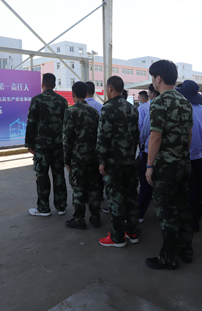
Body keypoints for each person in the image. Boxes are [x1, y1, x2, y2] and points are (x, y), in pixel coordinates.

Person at [145, 60, 194, 270]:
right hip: (183, 162)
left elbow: (155, 137)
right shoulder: (185, 102)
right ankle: (186, 250)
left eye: (152, 77)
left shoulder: (158, 103)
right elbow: (190, 134)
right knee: (183, 207)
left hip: (166, 166)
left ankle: (168, 258)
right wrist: (182, 154)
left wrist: (149, 166)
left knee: (166, 211)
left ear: (158, 78)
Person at [96, 76, 140, 248]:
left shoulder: (108, 108)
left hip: (113, 162)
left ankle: (117, 237)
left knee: (116, 199)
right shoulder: (132, 108)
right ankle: (133, 232)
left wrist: (101, 161)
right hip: (130, 160)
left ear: (110, 88)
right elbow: (136, 135)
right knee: (131, 197)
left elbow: (103, 136)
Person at [25, 73, 69, 217]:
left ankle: (43, 208)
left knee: (42, 175)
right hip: (58, 145)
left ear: (42, 84)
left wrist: (29, 143)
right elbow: (66, 124)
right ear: (55, 85)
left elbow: (31, 122)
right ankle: (61, 207)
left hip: (42, 145)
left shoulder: (36, 100)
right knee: (59, 174)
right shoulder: (62, 101)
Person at [62, 81, 101, 229]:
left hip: (77, 158)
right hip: (93, 157)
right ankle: (95, 218)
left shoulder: (70, 112)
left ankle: (79, 219)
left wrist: (66, 159)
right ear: (86, 94)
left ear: (73, 94)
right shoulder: (94, 112)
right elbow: (99, 135)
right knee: (93, 188)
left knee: (78, 189)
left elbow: (67, 137)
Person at [176, 80, 202, 232]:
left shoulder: (185, 108)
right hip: (198, 154)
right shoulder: (201, 109)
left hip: (187, 155)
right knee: (198, 188)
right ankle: (198, 216)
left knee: (188, 191)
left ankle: (192, 222)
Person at [136, 85, 160, 223]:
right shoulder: (182, 105)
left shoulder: (153, 108)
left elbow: (145, 130)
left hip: (149, 150)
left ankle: (140, 214)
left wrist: (141, 143)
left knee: (146, 182)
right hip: (167, 154)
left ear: (152, 94)